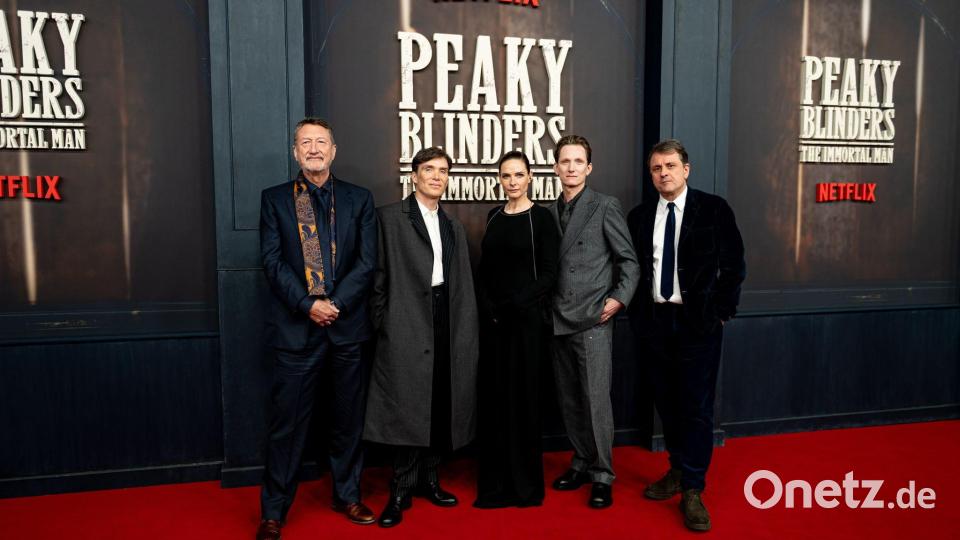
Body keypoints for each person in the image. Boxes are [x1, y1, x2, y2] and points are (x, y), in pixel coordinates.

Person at [256, 118, 378, 539]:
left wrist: (336, 304)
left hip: (346, 329)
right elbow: (272, 262)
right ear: (295, 152)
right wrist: (309, 305)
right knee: (287, 425)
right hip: (297, 330)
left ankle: (348, 495)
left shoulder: (358, 200)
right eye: (305, 142)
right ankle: (274, 511)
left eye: (320, 142)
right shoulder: (274, 200)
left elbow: (367, 263)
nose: (313, 148)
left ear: (333, 150)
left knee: (347, 420)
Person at [627, 139, 745, 532]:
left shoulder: (713, 209)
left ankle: (693, 489)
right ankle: (677, 469)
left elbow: (734, 265)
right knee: (667, 402)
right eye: (657, 168)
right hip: (655, 324)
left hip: (698, 324)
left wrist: (721, 312)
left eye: (670, 166)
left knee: (696, 406)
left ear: (686, 169)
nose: (664, 173)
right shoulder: (640, 216)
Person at [364, 147, 480, 528]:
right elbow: (376, 277)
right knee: (407, 404)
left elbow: (461, 282)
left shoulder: (453, 226)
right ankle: (399, 489)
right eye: (428, 169)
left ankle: (430, 480)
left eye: (442, 171)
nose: (436, 176)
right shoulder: (388, 218)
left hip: (445, 315)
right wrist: (384, 323)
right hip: (405, 320)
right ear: (414, 175)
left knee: (440, 401)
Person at [547, 135, 639, 509]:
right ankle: (581, 461)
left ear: (589, 167)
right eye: (564, 161)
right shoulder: (547, 210)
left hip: (593, 319)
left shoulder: (604, 206)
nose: (571, 167)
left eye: (578, 161)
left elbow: (629, 261)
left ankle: (603, 474)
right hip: (556, 318)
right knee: (569, 399)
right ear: (555, 167)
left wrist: (618, 299)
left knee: (596, 400)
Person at [474, 151, 560, 509]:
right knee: (495, 401)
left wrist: (515, 304)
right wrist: (490, 305)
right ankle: (495, 483)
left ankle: (524, 486)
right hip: (494, 324)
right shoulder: (494, 216)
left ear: (530, 178)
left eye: (518, 174)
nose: (512, 181)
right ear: (499, 178)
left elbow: (550, 274)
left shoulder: (541, 218)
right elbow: (487, 269)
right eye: (506, 175)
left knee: (524, 401)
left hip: (526, 324)